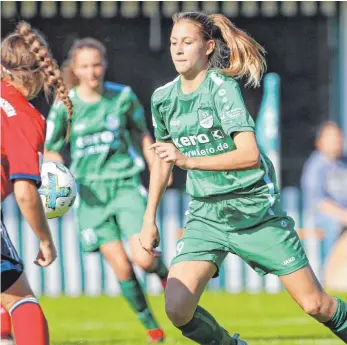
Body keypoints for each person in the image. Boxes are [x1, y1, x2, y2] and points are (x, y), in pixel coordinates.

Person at [139, 11, 347, 345]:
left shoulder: (222, 89)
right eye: (173, 43)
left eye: (187, 42)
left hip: (254, 211)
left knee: (316, 304)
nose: (178, 50)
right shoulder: (163, 99)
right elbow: (163, 159)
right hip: (207, 215)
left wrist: (189, 160)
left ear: (208, 47)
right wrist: (149, 218)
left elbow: (249, 155)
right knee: (177, 308)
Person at [44, 38, 168, 343]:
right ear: (75, 68)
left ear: (105, 63)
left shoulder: (122, 97)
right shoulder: (66, 105)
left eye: (97, 64)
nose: (92, 71)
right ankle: (153, 328)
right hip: (90, 196)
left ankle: (164, 274)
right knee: (123, 268)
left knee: (144, 259)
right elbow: (51, 150)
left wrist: (156, 165)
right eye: (85, 66)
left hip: (124, 185)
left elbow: (141, 133)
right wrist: (59, 176)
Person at [1, 21, 73, 345]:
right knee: (21, 301)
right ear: (41, 73)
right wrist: (46, 240)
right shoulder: (26, 118)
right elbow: (25, 192)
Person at [301, 122, 347, 262]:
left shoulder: (344, 162)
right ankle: (329, 271)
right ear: (319, 142)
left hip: (343, 214)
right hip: (323, 217)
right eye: (331, 137)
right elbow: (318, 202)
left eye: (338, 137)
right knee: (335, 225)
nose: (336, 141)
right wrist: (343, 216)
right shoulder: (315, 166)